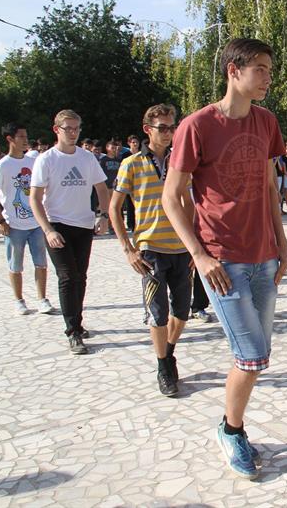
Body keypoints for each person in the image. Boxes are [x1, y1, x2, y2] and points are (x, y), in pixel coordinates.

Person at [162, 38, 287, 479]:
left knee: (258, 355)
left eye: (270, 69)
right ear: (234, 71)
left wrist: (282, 244)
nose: (268, 77)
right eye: (261, 69)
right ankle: (231, 430)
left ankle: (231, 424)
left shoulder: (266, 122)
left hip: (264, 256)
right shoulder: (197, 126)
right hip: (222, 259)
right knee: (251, 355)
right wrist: (199, 255)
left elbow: (270, 187)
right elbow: (171, 196)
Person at [109, 104, 191, 397]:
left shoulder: (180, 161)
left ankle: (168, 353)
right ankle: (163, 366)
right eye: (162, 128)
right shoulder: (131, 164)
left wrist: (195, 244)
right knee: (158, 314)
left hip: (182, 248)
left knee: (182, 312)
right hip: (151, 249)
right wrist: (128, 249)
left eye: (172, 128)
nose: (168, 133)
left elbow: (188, 202)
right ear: (148, 130)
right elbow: (114, 208)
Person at [30, 109, 110, 354]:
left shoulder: (87, 158)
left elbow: (102, 188)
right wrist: (47, 230)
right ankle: (72, 331)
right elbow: (35, 198)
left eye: (77, 128)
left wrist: (103, 215)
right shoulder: (46, 160)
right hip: (57, 225)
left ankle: (78, 321)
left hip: (83, 225)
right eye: (68, 128)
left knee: (80, 277)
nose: (73, 133)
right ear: (57, 130)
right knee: (67, 276)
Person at [0, 122, 54, 315]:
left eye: (26, 137)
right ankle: (19, 300)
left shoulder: (33, 161)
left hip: (36, 222)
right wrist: (0, 220)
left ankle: (42, 299)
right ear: (10, 139)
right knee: (15, 265)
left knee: (41, 263)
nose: (26, 140)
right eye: (21, 137)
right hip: (13, 224)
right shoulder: (2, 166)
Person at [100, 138, 123, 233]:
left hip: (117, 186)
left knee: (117, 207)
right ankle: (109, 226)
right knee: (109, 206)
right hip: (107, 186)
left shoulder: (119, 160)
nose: (114, 149)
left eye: (115, 148)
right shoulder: (103, 160)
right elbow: (100, 173)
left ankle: (115, 225)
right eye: (112, 147)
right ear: (107, 148)